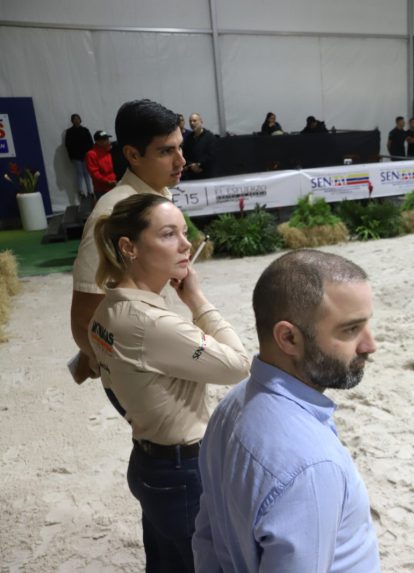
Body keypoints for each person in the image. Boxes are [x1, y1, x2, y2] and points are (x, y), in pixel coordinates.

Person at [89, 193, 250, 571]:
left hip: (149, 464)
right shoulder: (153, 323)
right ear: (129, 247)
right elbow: (239, 365)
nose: (186, 243)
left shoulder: (109, 306)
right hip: (182, 473)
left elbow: (110, 385)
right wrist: (196, 299)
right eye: (168, 234)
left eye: (183, 231)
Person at [192, 250, 380, 572]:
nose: (370, 344)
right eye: (350, 330)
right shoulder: (311, 466)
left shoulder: (230, 407)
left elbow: (207, 536)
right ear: (289, 338)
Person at [70, 99, 186, 387]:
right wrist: (129, 380)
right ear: (133, 155)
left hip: (169, 349)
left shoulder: (158, 195)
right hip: (146, 376)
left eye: (180, 147)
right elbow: (83, 319)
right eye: (166, 151)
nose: (181, 160)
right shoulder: (111, 216)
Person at [65, 113, 94, 200]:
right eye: (74, 119)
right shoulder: (69, 132)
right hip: (76, 156)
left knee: (87, 173)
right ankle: (81, 191)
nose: (76, 120)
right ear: (72, 121)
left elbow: (90, 143)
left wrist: (90, 154)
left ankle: (90, 191)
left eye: (78, 118)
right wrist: (71, 156)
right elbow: (68, 145)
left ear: (80, 120)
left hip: (85, 155)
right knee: (79, 173)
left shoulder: (85, 130)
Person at [183, 113, 217, 180]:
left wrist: (199, 164)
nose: (192, 123)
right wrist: (192, 165)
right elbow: (185, 154)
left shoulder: (210, 137)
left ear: (201, 121)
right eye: (190, 121)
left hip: (208, 174)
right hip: (192, 175)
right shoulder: (188, 138)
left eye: (194, 120)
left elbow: (212, 155)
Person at [85, 130, 117, 199]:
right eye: (105, 139)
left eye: (107, 139)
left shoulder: (108, 152)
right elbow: (94, 173)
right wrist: (107, 181)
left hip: (113, 185)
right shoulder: (91, 154)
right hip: (101, 189)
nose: (108, 141)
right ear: (98, 142)